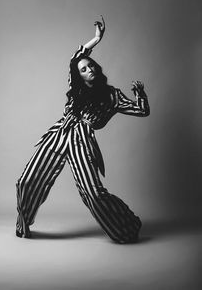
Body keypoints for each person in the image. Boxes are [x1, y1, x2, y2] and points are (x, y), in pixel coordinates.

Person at [16, 16, 150, 243]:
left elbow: (141, 111)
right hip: (60, 133)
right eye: (84, 69)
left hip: (82, 140)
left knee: (94, 194)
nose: (88, 69)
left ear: (97, 68)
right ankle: (23, 223)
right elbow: (75, 58)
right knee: (27, 180)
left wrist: (141, 94)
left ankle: (127, 227)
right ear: (78, 75)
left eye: (91, 66)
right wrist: (96, 39)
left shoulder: (112, 95)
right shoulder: (75, 88)